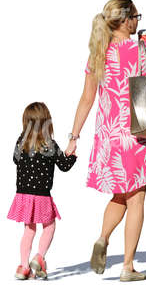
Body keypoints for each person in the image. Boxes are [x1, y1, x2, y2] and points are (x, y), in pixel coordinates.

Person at [65, 0, 146, 281]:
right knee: (137, 197)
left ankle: (102, 238)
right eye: (136, 16)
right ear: (126, 20)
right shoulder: (140, 49)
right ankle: (127, 267)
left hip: (110, 136)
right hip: (138, 133)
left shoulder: (98, 54)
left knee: (120, 194)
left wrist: (74, 137)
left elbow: (87, 99)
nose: (138, 21)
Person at [7, 102, 77, 280]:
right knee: (49, 226)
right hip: (41, 195)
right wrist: (72, 153)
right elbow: (64, 166)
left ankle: (23, 267)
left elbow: (15, 161)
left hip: (22, 194)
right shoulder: (49, 144)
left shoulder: (21, 142)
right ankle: (39, 257)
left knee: (29, 230)